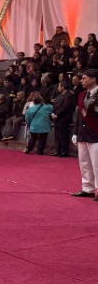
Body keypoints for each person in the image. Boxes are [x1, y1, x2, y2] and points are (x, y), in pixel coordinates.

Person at [71, 69, 98, 200]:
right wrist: (75, 132)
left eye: (84, 78)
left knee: (97, 163)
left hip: (96, 133)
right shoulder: (82, 95)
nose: (81, 81)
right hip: (83, 133)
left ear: (93, 79)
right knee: (84, 162)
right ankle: (88, 188)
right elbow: (79, 116)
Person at [51, 82, 76, 157]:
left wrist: (57, 114)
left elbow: (65, 107)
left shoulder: (69, 95)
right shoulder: (59, 96)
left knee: (63, 135)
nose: (58, 88)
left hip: (64, 118)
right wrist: (53, 113)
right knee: (57, 135)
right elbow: (55, 106)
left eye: (59, 86)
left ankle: (64, 151)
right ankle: (58, 150)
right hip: (57, 118)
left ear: (63, 87)